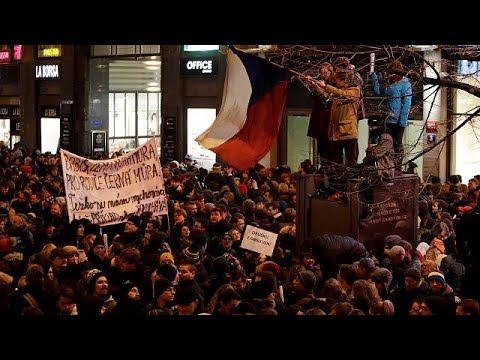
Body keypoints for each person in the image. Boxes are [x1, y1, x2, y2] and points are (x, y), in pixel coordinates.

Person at [369, 59, 412, 172]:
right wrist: (374, 77)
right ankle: (387, 165)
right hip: (388, 118)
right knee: (386, 142)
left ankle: (397, 168)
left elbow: (406, 103)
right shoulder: (390, 83)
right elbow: (378, 92)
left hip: (397, 120)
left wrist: (402, 121)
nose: (389, 74)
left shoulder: (405, 84)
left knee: (397, 143)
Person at [312, 70, 361, 168]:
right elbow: (330, 96)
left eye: (337, 80)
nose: (336, 83)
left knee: (351, 161)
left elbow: (343, 94)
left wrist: (325, 86)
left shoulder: (354, 90)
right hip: (336, 132)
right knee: (336, 162)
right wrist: (318, 88)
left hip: (348, 132)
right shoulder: (338, 92)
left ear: (344, 81)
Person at [307, 62, 336, 166]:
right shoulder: (320, 82)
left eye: (325, 72)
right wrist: (314, 87)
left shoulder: (334, 84)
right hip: (320, 120)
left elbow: (330, 99)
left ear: (331, 72)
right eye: (322, 72)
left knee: (331, 149)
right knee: (321, 148)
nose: (323, 75)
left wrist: (320, 90)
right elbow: (315, 98)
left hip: (330, 120)